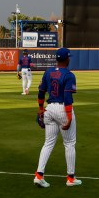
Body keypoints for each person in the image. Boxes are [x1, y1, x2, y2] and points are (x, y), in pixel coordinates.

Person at [33, 47, 80, 188]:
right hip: (62, 109)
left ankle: (39, 175)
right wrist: (69, 117)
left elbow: (41, 93)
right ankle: (70, 178)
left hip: (49, 109)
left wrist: (41, 109)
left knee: (48, 143)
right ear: (66, 59)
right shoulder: (69, 75)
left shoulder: (48, 72)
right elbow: (67, 97)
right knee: (70, 143)